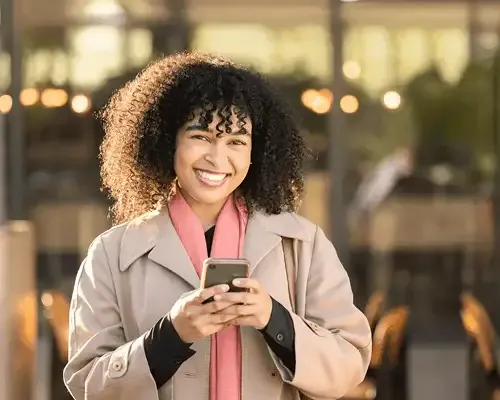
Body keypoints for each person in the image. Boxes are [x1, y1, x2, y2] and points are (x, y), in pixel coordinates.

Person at [63, 52, 371, 400]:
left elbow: (349, 364)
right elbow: (88, 384)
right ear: (167, 141)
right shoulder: (111, 253)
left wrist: (275, 320)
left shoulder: (301, 243)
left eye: (236, 142)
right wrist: (171, 335)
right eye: (201, 137)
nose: (217, 158)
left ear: (258, 151)